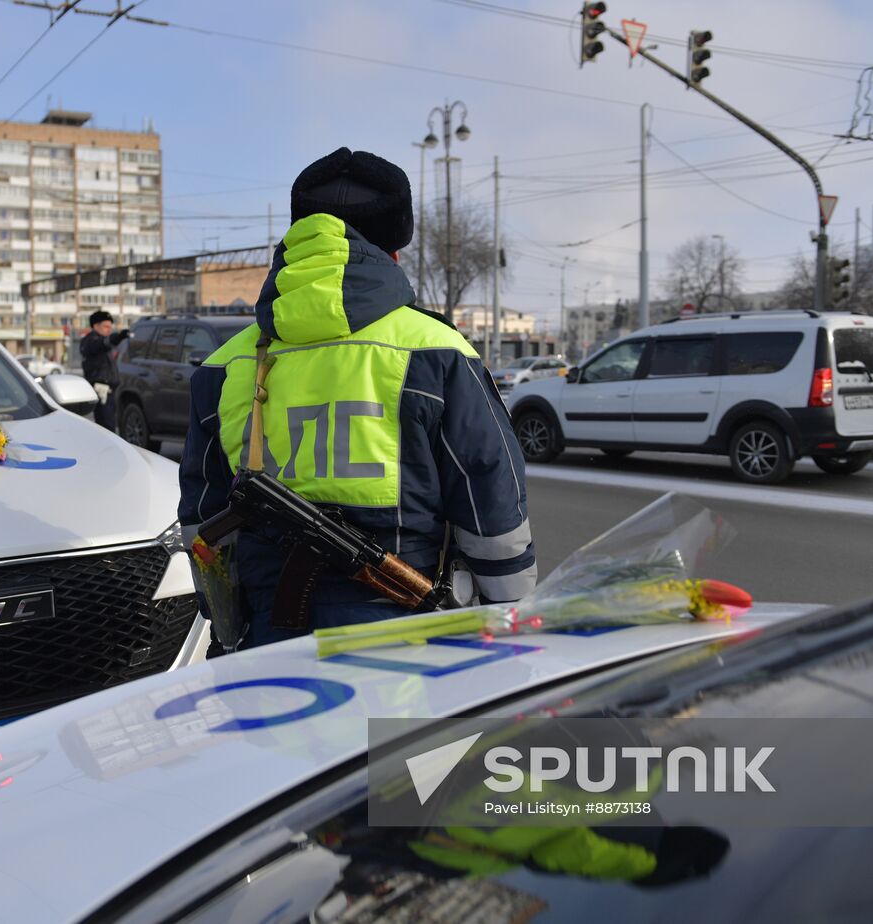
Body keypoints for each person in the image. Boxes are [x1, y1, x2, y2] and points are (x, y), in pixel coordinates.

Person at [179, 147, 535, 649]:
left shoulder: (225, 363)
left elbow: (203, 523)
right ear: (394, 247)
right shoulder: (437, 350)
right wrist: (510, 619)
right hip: (401, 649)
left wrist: (226, 620)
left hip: (263, 649)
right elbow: (490, 507)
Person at [79, 310, 127, 431]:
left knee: (109, 424)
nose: (108, 329)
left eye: (110, 327)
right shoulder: (91, 341)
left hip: (110, 390)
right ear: (95, 326)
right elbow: (102, 344)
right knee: (106, 426)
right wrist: (117, 337)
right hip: (101, 390)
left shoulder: (102, 343)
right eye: (105, 326)